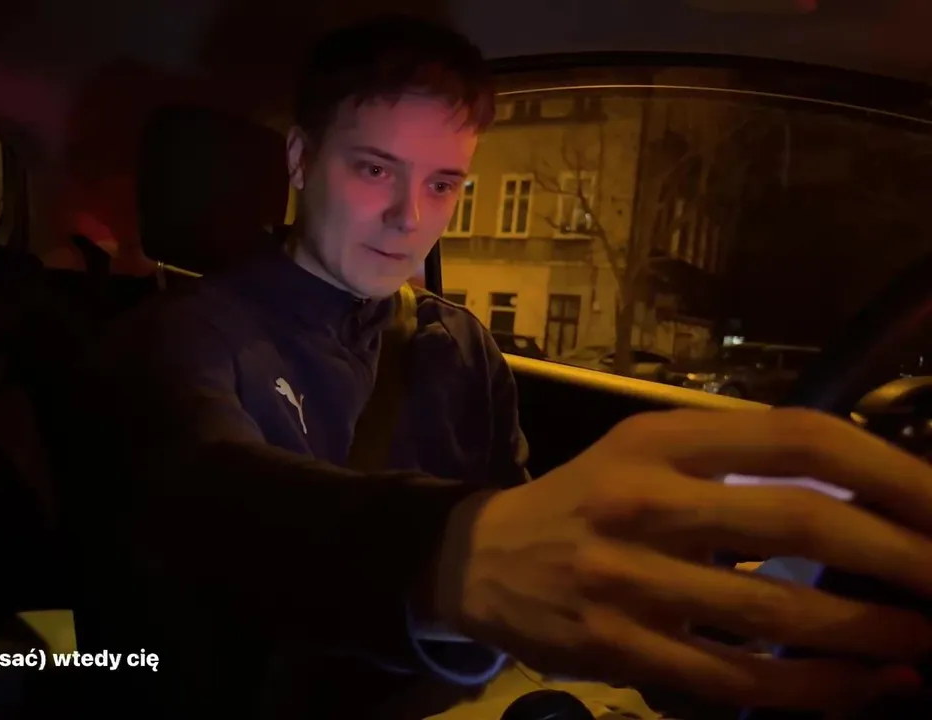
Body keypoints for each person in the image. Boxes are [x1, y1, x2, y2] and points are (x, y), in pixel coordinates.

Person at [76, 14, 932, 718]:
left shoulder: (457, 342)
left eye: (443, 183)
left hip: (487, 688)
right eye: (374, 169)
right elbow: (208, 495)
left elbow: (525, 514)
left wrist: (671, 587)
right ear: (300, 159)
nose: (410, 217)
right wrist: (455, 554)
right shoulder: (184, 336)